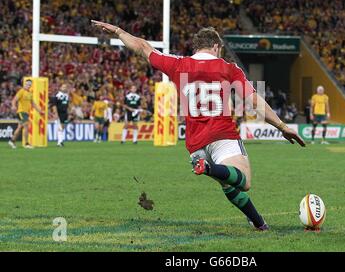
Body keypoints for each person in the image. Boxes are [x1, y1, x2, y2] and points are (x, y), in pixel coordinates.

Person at [91, 20, 305, 231]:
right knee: (244, 180)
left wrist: (118, 30)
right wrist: (281, 125)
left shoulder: (178, 64)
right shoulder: (228, 68)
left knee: (226, 181)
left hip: (195, 145)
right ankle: (211, 169)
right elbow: (253, 101)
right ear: (216, 46)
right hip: (222, 136)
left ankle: (258, 223)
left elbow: (142, 47)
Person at [8, 79, 44, 149]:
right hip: (21, 112)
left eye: (29, 84)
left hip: (26, 113)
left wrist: (40, 111)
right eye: (27, 84)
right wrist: (13, 106)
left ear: (31, 86)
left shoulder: (30, 93)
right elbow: (14, 100)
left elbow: (33, 104)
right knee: (26, 125)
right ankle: (27, 143)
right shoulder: (21, 91)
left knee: (19, 128)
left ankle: (12, 141)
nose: (28, 85)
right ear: (24, 84)